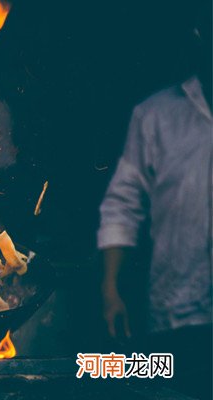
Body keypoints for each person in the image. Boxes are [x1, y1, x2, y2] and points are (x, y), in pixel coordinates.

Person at [98, 7, 211, 398]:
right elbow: (121, 206)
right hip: (176, 312)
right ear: (200, 36)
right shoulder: (156, 115)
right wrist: (111, 288)